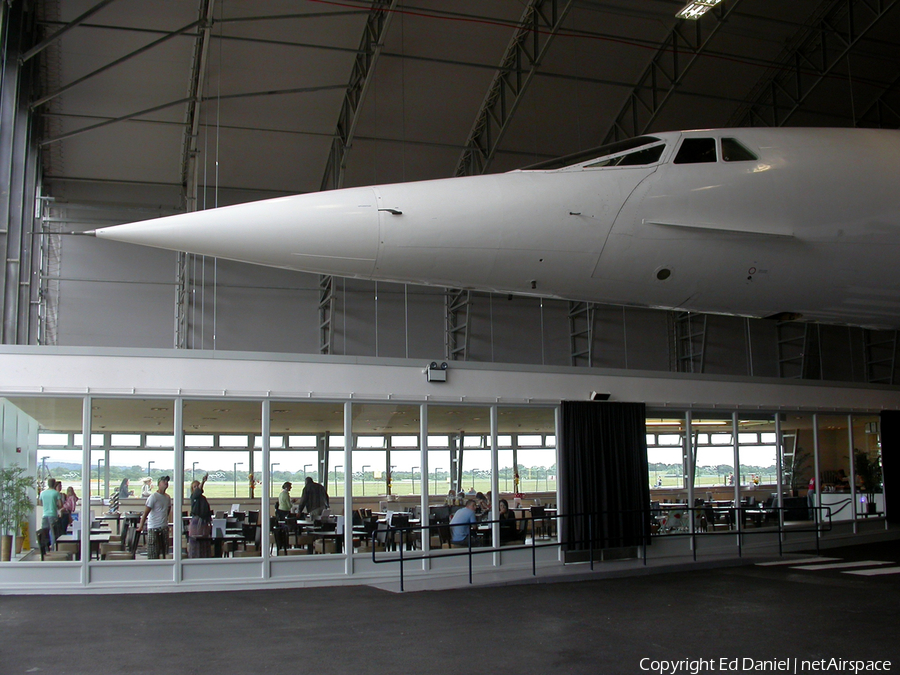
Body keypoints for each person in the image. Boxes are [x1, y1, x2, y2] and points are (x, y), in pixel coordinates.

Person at [138, 475, 171, 559]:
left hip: (164, 527)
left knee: (164, 551)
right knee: (153, 552)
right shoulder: (153, 497)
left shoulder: (167, 497)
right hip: (154, 527)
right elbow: (146, 513)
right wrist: (141, 526)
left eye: (167, 482)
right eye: (164, 482)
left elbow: (168, 510)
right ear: (159, 484)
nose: (166, 483)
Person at [187, 474, 212, 558]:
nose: (197, 487)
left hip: (204, 522)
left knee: (205, 543)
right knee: (196, 543)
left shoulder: (203, 498)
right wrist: (203, 481)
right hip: (196, 522)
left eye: (198, 485)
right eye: (194, 487)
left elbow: (207, 510)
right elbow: (198, 491)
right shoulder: (193, 497)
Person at [37, 477, 63, 547]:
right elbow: (60, 505)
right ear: (54, 484)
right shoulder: (56, 493)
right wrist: (55, 505)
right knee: (53, 532)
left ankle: (45, 547)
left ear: (48, 484)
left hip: (45, 514)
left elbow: (40, 503)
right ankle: (53, 547)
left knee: (44, 532)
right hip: (53, 514)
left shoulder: (42, 493)